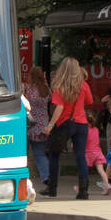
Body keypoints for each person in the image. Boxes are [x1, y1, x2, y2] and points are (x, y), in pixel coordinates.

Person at [42, 56, 93, 199]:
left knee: (54, 154)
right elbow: (90, 101)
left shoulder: (60, 85)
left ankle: (52, 189)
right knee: (80, 157)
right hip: (81, 124)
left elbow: (59, 107)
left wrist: (50, 125)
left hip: (64, 124)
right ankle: (83, 191)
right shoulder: (83, 85)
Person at [23, 65, 51, 187]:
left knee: (23, 153)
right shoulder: (46, 90)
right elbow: (52, 101)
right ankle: (46, 176)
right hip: (42, 126)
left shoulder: (28, 89)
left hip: (29, 124)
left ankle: (24, 176)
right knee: (40, 154)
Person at [85, 118, 111, 195]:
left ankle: (83, 188)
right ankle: (107, 185)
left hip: (88, 153)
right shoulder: (96, 129)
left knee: (84, 171)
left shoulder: (85, 130)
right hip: (98, 152)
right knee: (101, 171)